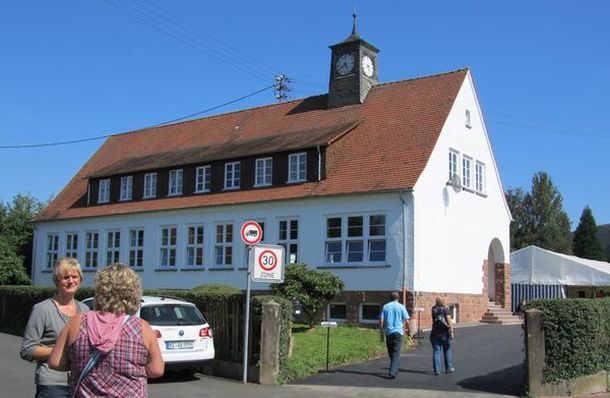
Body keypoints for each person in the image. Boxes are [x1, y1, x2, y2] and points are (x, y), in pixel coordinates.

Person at [49, 263, 164, 397]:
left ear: (100, 290)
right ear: (133, 293)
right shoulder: (142, 328)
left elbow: (55, 362)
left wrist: (78, 364)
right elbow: (156, 370)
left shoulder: (78, 322)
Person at [20, 257, 89, 398]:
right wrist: (60, 351)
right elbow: (27, 349)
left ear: (80, 279)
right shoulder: (42, 309)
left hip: (80, 383)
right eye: (65, 277)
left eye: (74, 276)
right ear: (57, 281)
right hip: (52, 384)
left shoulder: (85, 310)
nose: (71, 281)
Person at [379, 291, 410, 379]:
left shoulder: (385, 306)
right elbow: (407, 320)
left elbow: (381, 321)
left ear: (390, 297)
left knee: (391, 351)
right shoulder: (401, 307)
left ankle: (393, 370)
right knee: (396, 352)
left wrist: (381, 333)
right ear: (398, 298)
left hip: (388, 332)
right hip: (398, 332)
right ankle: (393, 370)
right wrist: (408, 331)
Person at [430, 296, 455, 375]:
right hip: (444, 334)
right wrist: (451, 332)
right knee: (447, 350)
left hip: (435, 333)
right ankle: (448, 368)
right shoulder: (446, 310)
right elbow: (449, 321)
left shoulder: (433, 309)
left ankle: (437, 370)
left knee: (436, 351)